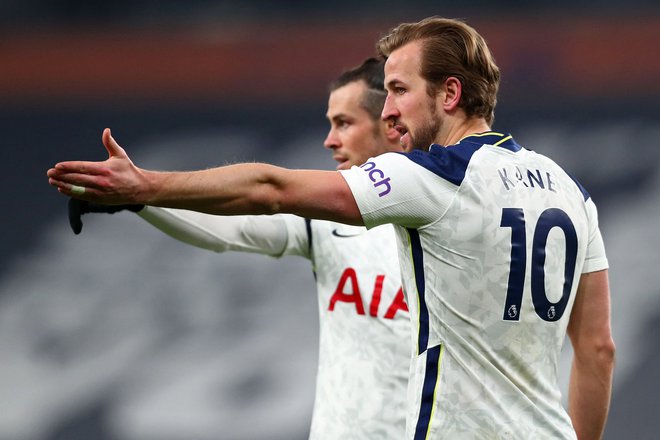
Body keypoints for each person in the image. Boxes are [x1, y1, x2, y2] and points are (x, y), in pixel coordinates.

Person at [48, 16, 616, 440]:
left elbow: (271, 190)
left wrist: (146, 188)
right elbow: (597, 348)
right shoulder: (570, 190)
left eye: (399, 90)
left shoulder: (436, 177)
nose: (390, 108)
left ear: (450, 93)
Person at [66, 58, 411, 440]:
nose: (330, 140)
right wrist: (140, 202)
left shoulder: (456, 214)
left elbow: (268, 189)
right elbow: (234, 228)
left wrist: (145, 189)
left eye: (344, 123)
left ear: (391, 125)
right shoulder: (329, 220)